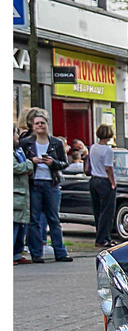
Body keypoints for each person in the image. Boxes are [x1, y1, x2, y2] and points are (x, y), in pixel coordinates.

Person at [23, 112, 70, 262]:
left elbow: (64, 163)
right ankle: (36, 254)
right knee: (34, 220)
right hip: (34, 183)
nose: (40, 126)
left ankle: (60, 252)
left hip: (52, 183)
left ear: (47, 125)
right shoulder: (27, 143)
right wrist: (32, 161)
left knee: (54, 219)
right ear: (33, 126)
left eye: (42, 123)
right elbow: (21, 161)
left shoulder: (56, 143)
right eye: (37, 123)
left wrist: (52, 163)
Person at [87, 124, 118, 246]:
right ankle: (103, 238)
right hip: (104, 180)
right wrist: (113, 182)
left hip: (94, 179)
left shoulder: (93, 147)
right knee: (107, 210)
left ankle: (100, 235)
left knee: (98, 210)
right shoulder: (107, 150)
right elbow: (108, 168)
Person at [14, 132, 31, 264]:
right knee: (13, 226)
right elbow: (15, 168)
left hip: (22, 193)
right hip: (15, 193)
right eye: (15, 135)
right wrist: (29, 164)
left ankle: (17, 253)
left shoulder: (19, 152)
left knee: (21, 226)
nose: (17, 138)